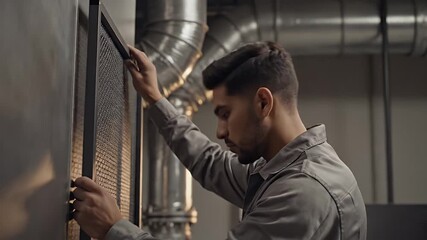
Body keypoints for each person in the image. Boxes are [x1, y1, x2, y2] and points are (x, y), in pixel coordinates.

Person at [72, 42, 367, 239]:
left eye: (225, 114)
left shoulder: (303, 193)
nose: (220, 131)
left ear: (263, 103)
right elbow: (210, 163)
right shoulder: (280, 167)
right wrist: (154, 97)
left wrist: (114, 229)